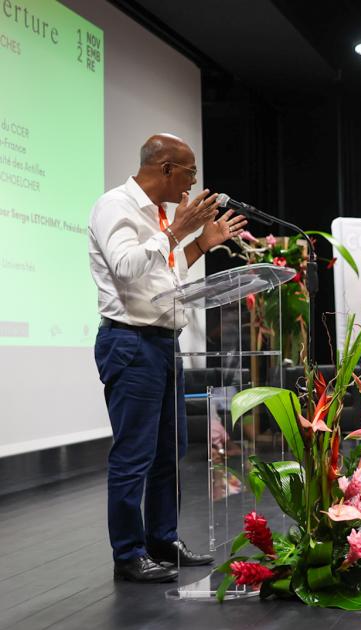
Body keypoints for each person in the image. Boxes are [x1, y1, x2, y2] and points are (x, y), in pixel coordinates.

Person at [90, 134, 244, 581]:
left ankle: (162, 538)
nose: (193, 185)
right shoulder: (115, 207)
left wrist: (201, 244)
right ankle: (128, 554)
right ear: (166, 168)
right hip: (130, 342)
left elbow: (167, 277)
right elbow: (124, 267)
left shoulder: (158, 217)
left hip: (163, 342)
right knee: (134, 454)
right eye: (190, 173)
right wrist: (177, 232)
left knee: (168, 451)